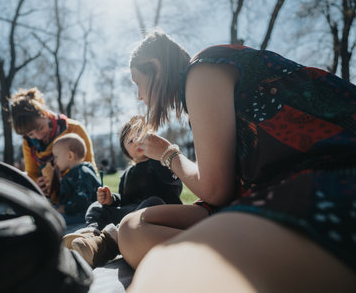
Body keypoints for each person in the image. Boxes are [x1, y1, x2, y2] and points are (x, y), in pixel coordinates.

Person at [118, 30, 356, 292]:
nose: (139, 95)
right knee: (132, 230)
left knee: (166, 270)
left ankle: (257, 261)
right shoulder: (196, 91)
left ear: (155, 67)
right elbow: (223, 189)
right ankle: (252, 257)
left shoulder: (202, 71)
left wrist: (168, 154)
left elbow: (215, 190)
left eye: (137, 82)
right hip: (262, 192)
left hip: (329, 175)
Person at [63, 115, 183, 267]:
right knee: (97, 207)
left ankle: (108, 243)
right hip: (130, 216)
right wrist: (112, 199)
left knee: (154, 202)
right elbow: (126, 200)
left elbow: (174, 184)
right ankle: (92, 234)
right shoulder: (127, 174)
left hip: (157, 216)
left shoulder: (163, 164)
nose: (137, 141)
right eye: (131, 141)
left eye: (142, 136)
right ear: (126, 151)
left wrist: (160, 156)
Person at [10, 87, 97, 203]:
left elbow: (89, 166)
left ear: (45, 114)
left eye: (40, 128)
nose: (39, 136)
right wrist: (37, 184)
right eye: (31, 134)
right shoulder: (28, 143)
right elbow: (32, 173)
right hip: (49, 201)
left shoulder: (74, 129)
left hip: (80, 198)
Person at [50, 133, 101, 225]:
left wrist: (66, 208)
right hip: (75, 212)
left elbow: (83, 199)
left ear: (70, 155)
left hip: (84, 215)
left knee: (54, 219)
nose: (54, 161)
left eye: (56, 157)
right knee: (50, 212)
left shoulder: (82, 173)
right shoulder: (74, 173)